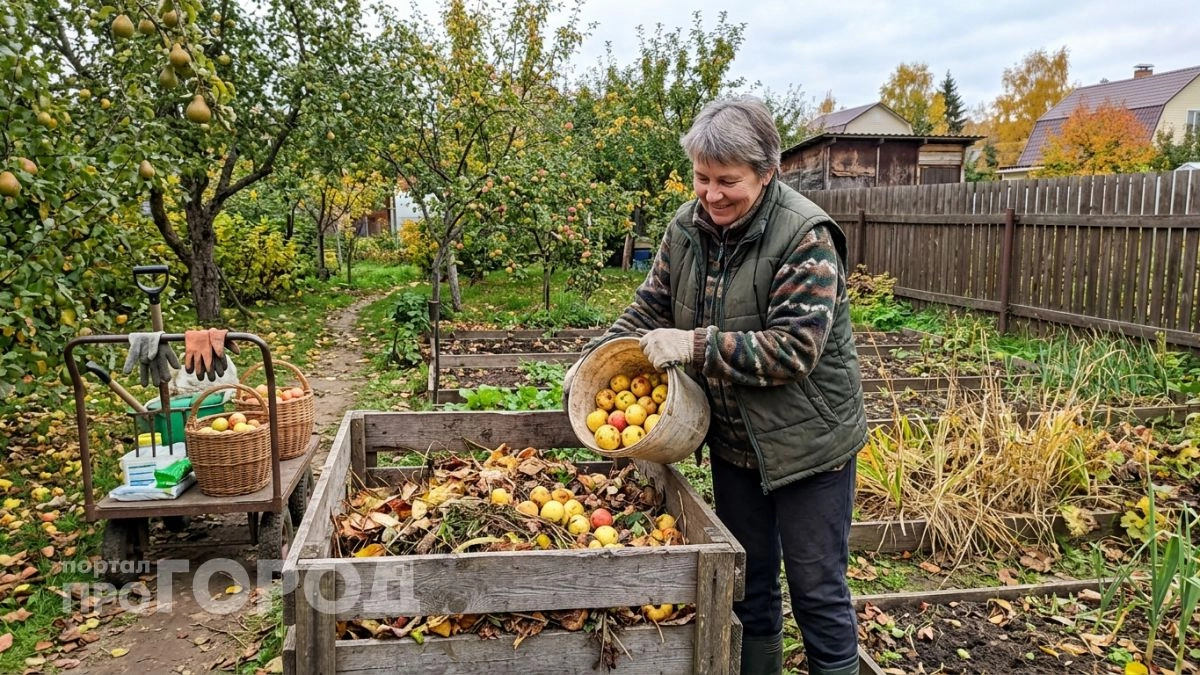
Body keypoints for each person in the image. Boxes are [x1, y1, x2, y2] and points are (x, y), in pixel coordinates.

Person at [565, 96, 867, 675]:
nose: (712, 194)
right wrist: (592, 362)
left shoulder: (805, 236)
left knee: (817, 591)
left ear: (768, 172)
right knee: (749, 587)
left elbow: (794, 350)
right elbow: (647, 310)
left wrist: (695, 344)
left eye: (728, 181)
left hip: (810, 450)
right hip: (734, 446)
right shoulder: (686, 229)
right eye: (702, 178)